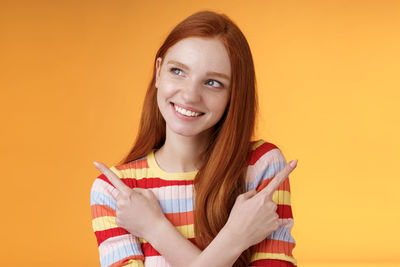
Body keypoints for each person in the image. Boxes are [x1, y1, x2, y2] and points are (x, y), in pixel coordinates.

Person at [90, 10, 298, 267]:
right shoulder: (116, 191)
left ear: (234, 94)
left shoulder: (261, 166)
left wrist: (156, 230)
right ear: (158, 72)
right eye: (177, 71)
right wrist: (235, 237)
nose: (189, 95)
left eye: (212, 83)